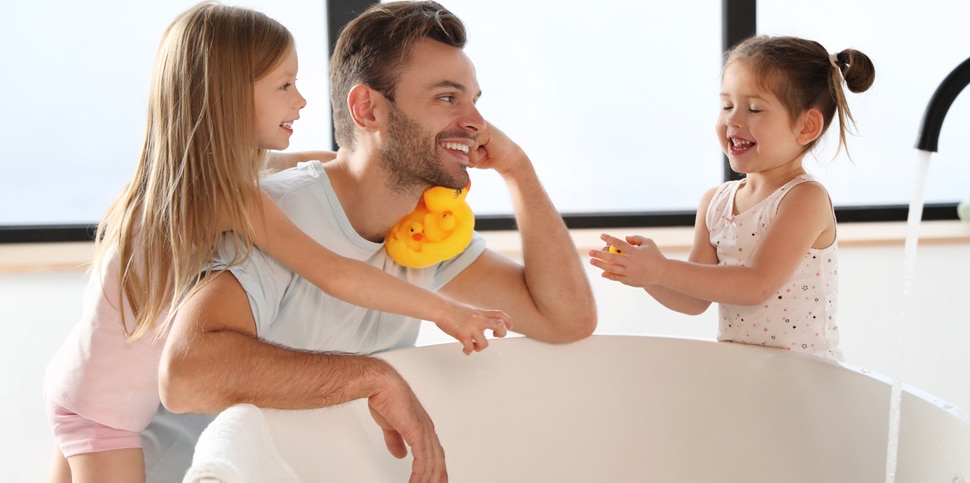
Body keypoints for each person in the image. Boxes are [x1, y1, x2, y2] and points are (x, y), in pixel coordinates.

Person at [43, 3, 518, 482]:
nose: (302, 102)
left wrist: (375, 158)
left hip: (84, 381)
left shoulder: (197, 176)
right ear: (228, 95)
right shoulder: (231, 198)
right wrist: (445, 311)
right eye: (285, 85)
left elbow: (321, 164)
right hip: (106, 413)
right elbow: (334, 272)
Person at [151, 1, 597, 481]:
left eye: (474, 100)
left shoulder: (423, 232)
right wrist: (372, 377)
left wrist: (518, 170)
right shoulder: (277, 213)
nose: (477, 123)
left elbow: (565, 319)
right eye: (448, 99)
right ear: (368, 109)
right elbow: (186, 376)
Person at [589, 35, 875, 361]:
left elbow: (755, 285)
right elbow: (694, 299)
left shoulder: (804, 199)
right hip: (744, 376)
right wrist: (647, 276)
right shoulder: (715, 203)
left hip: (807, 383)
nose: (732, 120)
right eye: (726, 105)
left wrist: (663, 269)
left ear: (807, 126)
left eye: (754, 108)